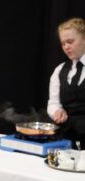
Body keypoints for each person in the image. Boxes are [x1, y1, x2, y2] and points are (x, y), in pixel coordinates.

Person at [47, 17, 85, 148]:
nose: (66, 47)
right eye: (63, 43)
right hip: (66, 138)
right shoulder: (59, 70)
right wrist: (57, 111)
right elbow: (53, 103)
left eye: (70, 41)